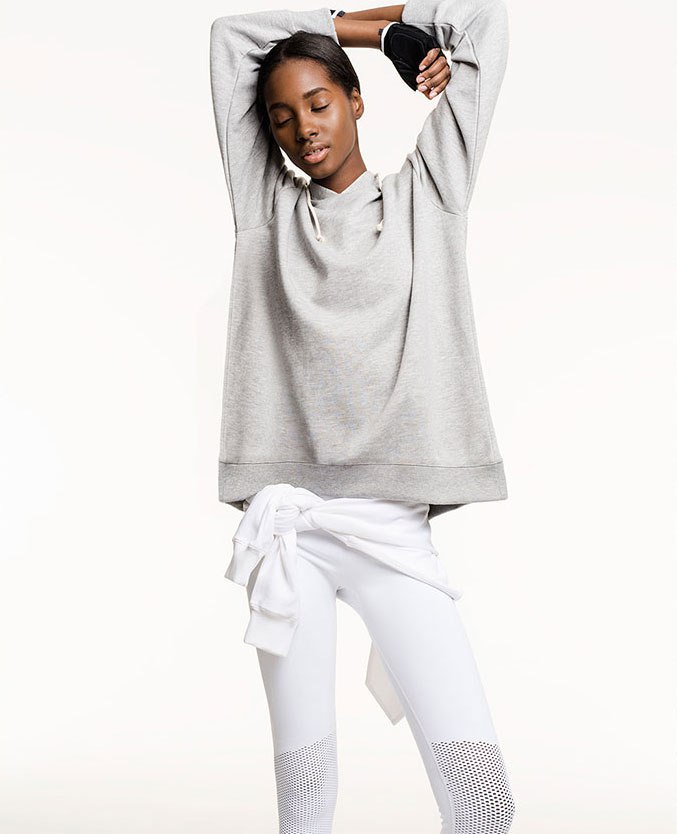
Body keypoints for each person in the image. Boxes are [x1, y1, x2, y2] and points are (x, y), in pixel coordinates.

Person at [209, 2, 515, 832]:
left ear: (354, 100)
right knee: (305, 803)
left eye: (318, 103)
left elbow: (481, 20)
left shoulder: (429, 197)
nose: (302, 127)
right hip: (289, 530)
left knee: (483, 804)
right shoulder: (265, 212)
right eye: (281, 116)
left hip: (390, 531)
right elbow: (230, 37)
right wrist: (365, 33)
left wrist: (399, 28)